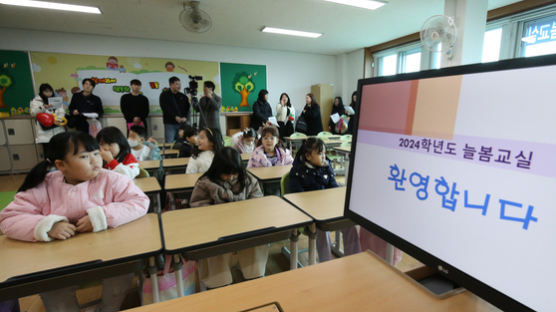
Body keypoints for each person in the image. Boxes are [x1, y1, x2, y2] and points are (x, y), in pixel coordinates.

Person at [0, 131, 149, 312]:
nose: (95, 160)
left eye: (96, 153)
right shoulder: (45, 184)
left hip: (108, 253)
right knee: (52, 286)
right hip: (58, 260)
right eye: (85, 156)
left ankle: (108, 308)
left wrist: (100, 217)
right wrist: (48, 226)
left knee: (122, 271)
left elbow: (140, 201)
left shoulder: (110, 179)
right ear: (61, 165)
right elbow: (9, 217)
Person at [189, 147, 268, 289]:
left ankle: (254, 276)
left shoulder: (248, 180)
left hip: (244, 228)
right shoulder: (204, 183)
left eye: (234, 173)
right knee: (214, 251)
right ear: (217, 170)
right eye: (226, 174)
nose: (231, 177)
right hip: (216, 231)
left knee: (256, 243)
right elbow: (197, 208)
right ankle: (220, 283)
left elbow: (258, 204)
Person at [289, 138, 360, 262]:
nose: (323, 157)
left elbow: (334, 188)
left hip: (328, 208)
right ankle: (326, 262)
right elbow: (297, 197)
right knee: (322, 229)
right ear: (308, 156)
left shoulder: (326, 166)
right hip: (309, 214)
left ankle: (354, 260)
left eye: (324, 153)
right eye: (320, 154)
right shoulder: (297, 171)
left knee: (349, 223)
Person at [30, 83, 66, 151]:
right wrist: (43, 107)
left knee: (59, 151)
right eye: (46, 91)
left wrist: (59, 119)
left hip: (57, 129)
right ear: (41, 92)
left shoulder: (56, 100)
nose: (49, 93)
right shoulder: (36, 101)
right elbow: (33, 113)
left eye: (50, 91)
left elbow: (61, 111)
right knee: (48, 152)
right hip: (45, 132)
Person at [159, 77, 190, 142]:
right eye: (177, 84)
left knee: (181, 142)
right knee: (169, 142)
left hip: (181, 124)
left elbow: (187, 108)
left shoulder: (183, 96)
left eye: (179, 84)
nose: (179, 86)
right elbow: (165, 108)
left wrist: (185, 117)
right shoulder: (164, 95)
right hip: (170, 123)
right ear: (171, 85)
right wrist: (175, 117)